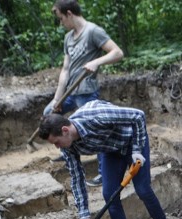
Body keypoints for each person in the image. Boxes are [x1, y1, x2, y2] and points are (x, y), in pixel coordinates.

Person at [38, 101, 175, 219]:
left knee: (143, 189)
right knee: (109, 194)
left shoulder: (96, 115)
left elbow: (138, 115)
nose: (57, 147)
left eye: (56, 142)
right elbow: (77, 178)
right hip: (111, 150)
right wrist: (84, 216)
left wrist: (137, 149)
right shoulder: (68, 148)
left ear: (65, 131)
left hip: (132, 141)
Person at [46, 0, 124, 186]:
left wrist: (97, 62)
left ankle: (103, 174)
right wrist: (57, 98)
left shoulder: (93, 32)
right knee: (48, 115)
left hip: (87, 93)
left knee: (94, 132)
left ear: (70, 13)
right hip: (70, 92)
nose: (60, 23)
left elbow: (117, 52)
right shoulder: (68, 38)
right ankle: (66, 150)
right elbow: (65, 70)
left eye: (61, 18)